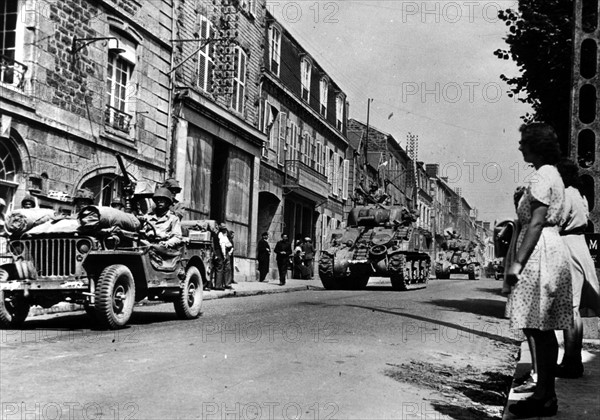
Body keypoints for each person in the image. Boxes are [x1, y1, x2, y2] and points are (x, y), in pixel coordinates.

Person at [506, 123, 573, 418]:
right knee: (539, 326)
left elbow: (535, 223)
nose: (520, 146)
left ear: (536, 145)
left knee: (540, 326)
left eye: (524, 142)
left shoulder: (542, 176)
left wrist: (517, 263)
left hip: (540, 253)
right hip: (546, 248)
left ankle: (546, 396)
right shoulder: (550, 175)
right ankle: (545, 393)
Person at [556, 158, 600, 378]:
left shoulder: (565, 194)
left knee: (568, 308)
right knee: (573, 308)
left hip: (566, 246)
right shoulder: (580, 194)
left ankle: (571, 362)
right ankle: (572, 359)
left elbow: (556, 221)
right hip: (579, 244)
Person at [213, 222, 233, 290]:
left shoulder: (217, 234)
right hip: (220, 253)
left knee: (219, 268)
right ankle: (219, 286)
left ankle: (219, 284)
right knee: (220, 268)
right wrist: (224, 255)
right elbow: (223, 246)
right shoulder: (221, 235)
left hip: (217, 252)